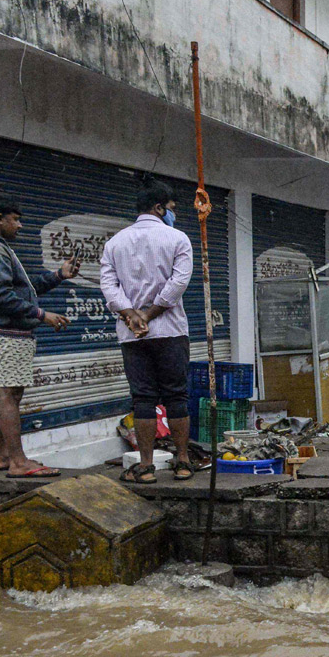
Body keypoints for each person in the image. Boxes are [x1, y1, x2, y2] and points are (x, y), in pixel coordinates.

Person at [0, 195, 79, 478]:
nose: (20, 226)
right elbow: (1, 296)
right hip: (9, 333)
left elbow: (21, 288)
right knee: (10, 395)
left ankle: (2, 456)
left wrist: (58, 275)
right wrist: (41, 315)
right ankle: (18, 462)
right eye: (15, 219)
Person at [100, 180, 195, 483]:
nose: (173, 214)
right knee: (176, 396)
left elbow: (109, 286)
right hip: (170, 331)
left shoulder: (114, 243)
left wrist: (130, 314)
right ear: (159, 208)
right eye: (171, 208)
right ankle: (182, 462)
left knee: (143, 399)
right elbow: (178, 284)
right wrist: (149, 314)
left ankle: (145, 466)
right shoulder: (178, 239)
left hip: (132, 335)